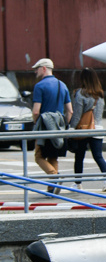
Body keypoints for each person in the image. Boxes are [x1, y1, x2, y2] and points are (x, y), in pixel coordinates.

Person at [29, 58, 72, 192]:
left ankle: (54, 176)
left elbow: (36, 111)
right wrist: (64, 125)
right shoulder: (62, 85)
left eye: (37, 68)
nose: (35, 71)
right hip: (58, 127)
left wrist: (36, 123)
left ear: (44, 69)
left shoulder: (40, 86)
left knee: (39, 156)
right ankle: (52, 187)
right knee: (53, 156)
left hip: (44, 127)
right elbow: (70, 110)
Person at [68, 68, 106, 191]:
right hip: (98, 128)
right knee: (98, 156)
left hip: (84, 129)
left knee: (79, 157)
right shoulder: (100, 94)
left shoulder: (80, 93)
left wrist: (71, 128)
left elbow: (77, 114)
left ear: (83, 79)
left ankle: (78, 184)